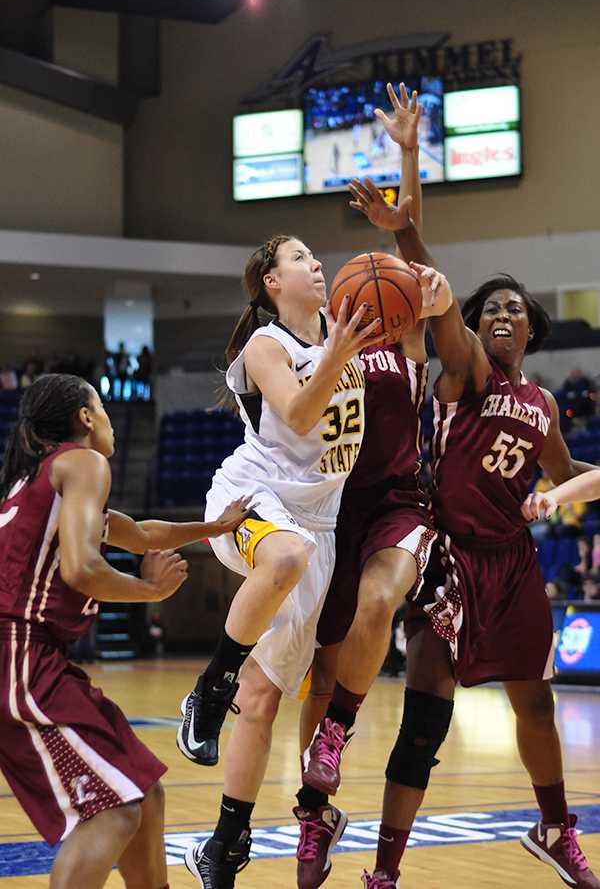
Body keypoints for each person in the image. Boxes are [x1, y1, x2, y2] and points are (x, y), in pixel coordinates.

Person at [347, 192, 599, 886]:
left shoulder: (541, 404)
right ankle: (386, 871)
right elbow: (441, 301)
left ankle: (553, 827)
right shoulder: (467, 373)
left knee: (536, 703)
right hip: (450, 561)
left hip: (513, 565)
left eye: (513, 307)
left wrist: (583, 482)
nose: (500, 314)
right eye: (490, 307)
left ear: (531, 330)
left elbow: (567, 473)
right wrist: (406, 235)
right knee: (426, 719)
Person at [177, 231, 385, 887]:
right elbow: (297, 416)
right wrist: (341, 350)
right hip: (250, 501)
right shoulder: (269, 345)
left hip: (317, 529)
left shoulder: (342, 326)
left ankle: (225, 841)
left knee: (264, 698)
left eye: (316, 256)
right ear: (271, 281)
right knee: (286, 554)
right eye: (300, 257)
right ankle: (209, 689)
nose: (317, 263)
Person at [0, 373, 250, 889]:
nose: (112, 418)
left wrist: (214, 528)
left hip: (34, 658)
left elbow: (139, 534)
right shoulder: (84, 462)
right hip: (21, 658)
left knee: (143, 791)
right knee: (112, 813)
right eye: (104, 407)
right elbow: (81, 569)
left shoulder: (45, 478)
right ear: (85, 419)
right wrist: (150, 593)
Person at [295, 83, 450, 889]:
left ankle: (337, 736)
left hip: (398, 502)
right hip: (331, 510)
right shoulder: (328, 343)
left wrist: (409, 156)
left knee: (383, 598)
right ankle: (311, 817)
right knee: (316, 675)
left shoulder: (413, 333)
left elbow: (414, 258)